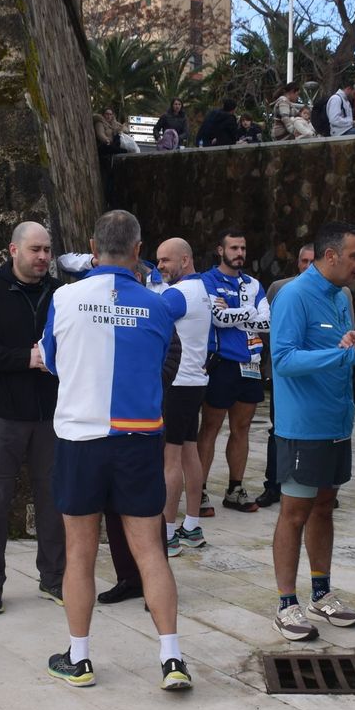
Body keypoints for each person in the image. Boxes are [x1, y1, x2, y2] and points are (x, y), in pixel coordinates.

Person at [39, 210, 191, 690]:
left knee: (80, 553)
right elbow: (167, 359)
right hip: (139, 438)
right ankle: (171, 658)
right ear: (139, 249)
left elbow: (54, 362)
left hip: (81, 438)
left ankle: (79, 657)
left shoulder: (64, 298)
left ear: (91, 244)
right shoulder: (159, 305)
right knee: (151, 553)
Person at [268, 221, 355, 641]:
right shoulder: (293, 295)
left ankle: (321, 592)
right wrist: (341, 356)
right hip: (302, 428)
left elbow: (333, 350)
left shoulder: (342, 296)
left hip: (335, 423)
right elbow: (284, 360)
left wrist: (346, 346)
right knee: (294, 513)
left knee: (325, 506)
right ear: (331, 257)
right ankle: (286, 604)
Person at [0, 220, 66, 614]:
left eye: (47, 251)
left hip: (51, 413)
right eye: (35, 249)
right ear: (14, 250)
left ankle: (53, 579)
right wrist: (24, 358)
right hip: (3, 413)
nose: (42, 258)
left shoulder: (61, 293)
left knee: (53, 500)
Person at [197, 228, 270, 515]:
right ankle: (199, 490)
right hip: (221, 362)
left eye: (242, 248)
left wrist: (239, 312)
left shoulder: (253, 284)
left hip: (250, 364)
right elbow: (217, 318)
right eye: (234, 248)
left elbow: (267, 321)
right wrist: (249, 312)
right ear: (220, 250)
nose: (239, 253)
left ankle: (235, 488)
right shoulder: (207, 280)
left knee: (242, 429)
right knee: (211, 427)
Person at [154, 238, 212, 556]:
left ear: (185, 260)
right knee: (190, 452)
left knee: (170, 458)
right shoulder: (201, 289)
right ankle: (191, 525)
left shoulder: (177, 294)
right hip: (195, 381)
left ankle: (168, 533)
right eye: (158, 261)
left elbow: (151, 319)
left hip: (177, 383)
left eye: (166, 260)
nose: (161, 266)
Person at [255, 242, 315, 509]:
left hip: (318, 375)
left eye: (313, 262)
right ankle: (274, 484)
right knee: (278, 430)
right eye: (304, 261)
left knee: (314, 431)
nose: (308, 267)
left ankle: (315, 484)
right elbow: (265, 327)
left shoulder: (340, 291)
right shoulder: (280, 289)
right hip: (284, 373)